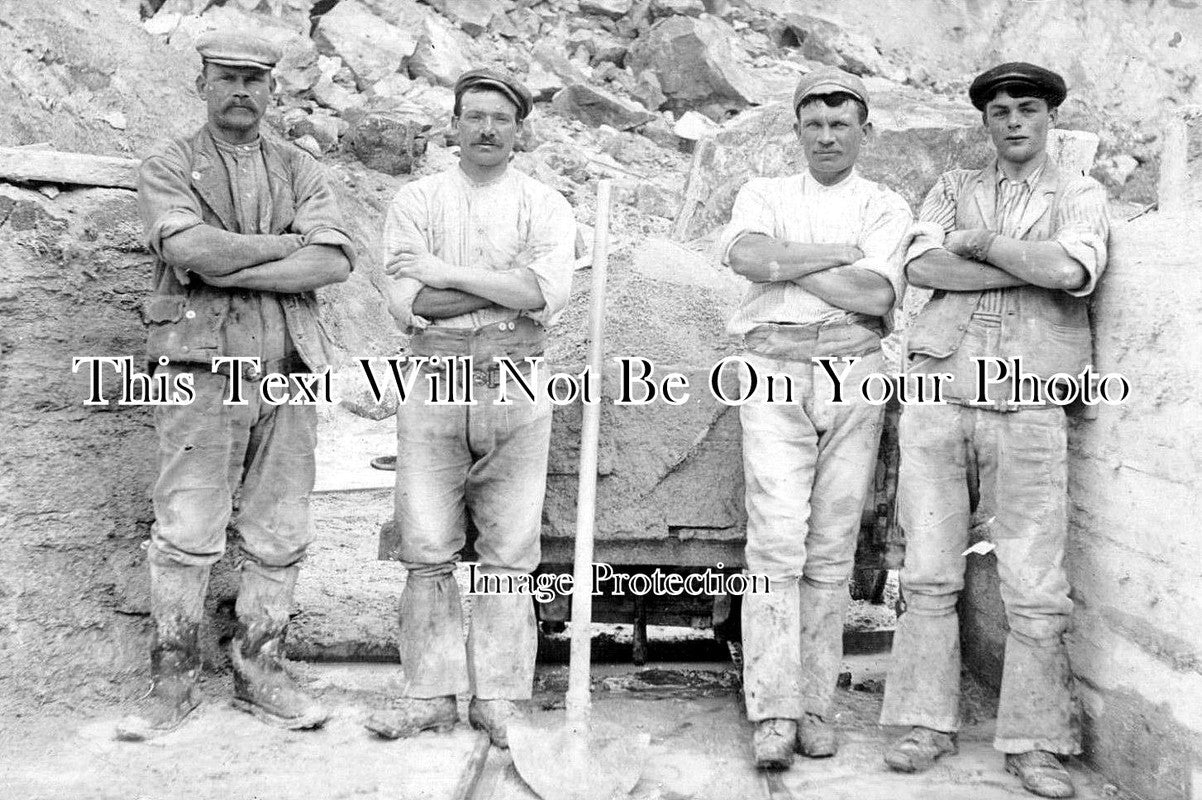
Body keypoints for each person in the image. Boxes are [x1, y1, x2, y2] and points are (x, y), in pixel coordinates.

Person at [879, 62, 1109, 799]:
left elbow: (1073, 271)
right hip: (940, 390)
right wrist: (1022, 264)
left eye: (1028, 108)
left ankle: (1037, 742)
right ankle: (924, 721)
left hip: (1032, 397)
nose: (1014, 121)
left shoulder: (1080, 193)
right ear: (985, 122)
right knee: (928, 569)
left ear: (1050, 119)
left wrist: (977, 247)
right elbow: (919, 266)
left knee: (1035, 581)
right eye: (1001, 110)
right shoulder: (951, 188)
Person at [116, 30, 354, 740]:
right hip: (199, 369)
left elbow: (333, 261)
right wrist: (286, 246)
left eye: (255, 79)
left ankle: (261, 669)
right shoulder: (169, 165)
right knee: (187, 526)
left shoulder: (299, 169)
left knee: (280, 529)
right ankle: (174, 676)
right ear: (202, 85)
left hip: (289, 371)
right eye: (227, 77)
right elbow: (186, 248)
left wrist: (231, 264)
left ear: (273, 90)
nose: (242, 91)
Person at [365, 68, 575, 749]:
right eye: (474, 116)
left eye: (501, 119)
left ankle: (500, 698)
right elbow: (408, 301)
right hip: (433, 374)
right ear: (453, 124)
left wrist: (447, 274)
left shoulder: (543, 203)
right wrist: (499, 289)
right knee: (426, 543)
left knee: (510, 548)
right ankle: (429, 694)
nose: (487, 129)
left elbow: (545, 293)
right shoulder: (418, 200)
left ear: (519, 130)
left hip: (516, 375)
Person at [719, 67, 912, 770]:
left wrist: (786, 265)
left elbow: (873, 289)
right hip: (774, 369)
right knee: (775, 541)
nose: (827, 136)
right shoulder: (764, 193)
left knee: (832, 548)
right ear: (797, 130)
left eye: (841, 124)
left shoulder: (886, 205)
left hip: (853, 373)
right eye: (814, 124)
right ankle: (772, 712)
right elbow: (745, 255)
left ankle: (814, 707)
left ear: (865, 131)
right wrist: (832, 257)